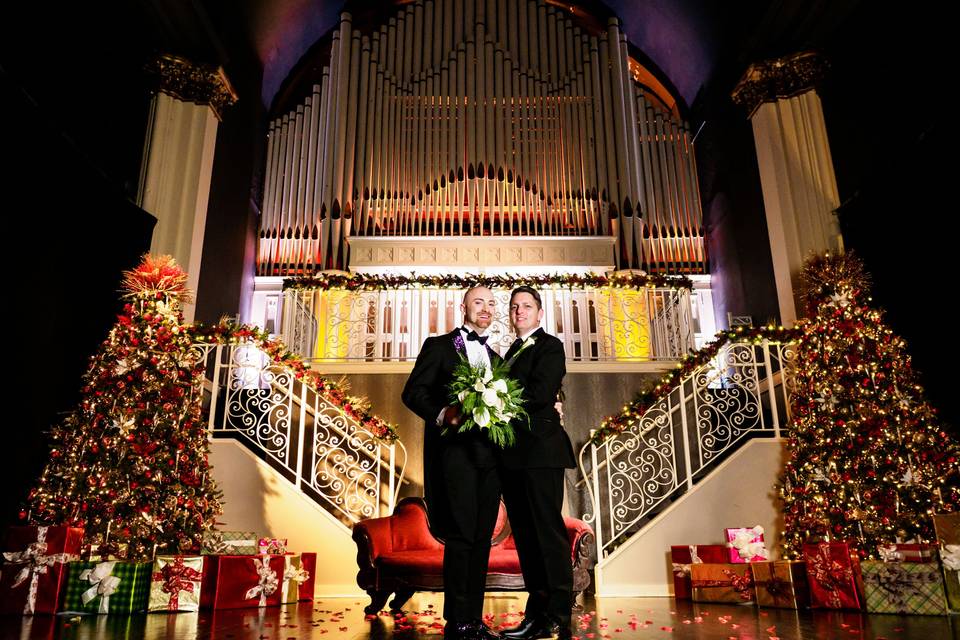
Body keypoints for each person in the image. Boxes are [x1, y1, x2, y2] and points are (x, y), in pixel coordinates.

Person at [401, 285, 502, 640]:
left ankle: (473, 619)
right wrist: (446, 414)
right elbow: (413, 392)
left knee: (480, 539)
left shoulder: (497, 358)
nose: (485, 308)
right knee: (461, 538)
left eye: (491, 303)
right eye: (478, 302)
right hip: (455, 458)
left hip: (490, 463)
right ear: (463, 307)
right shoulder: (440, 346)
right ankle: (457, 621)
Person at [498, 286, 576, 640]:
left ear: (539, 313)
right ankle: (537, 613)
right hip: (514, 456)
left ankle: (559, 613)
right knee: (526, 539)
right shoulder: (510, 351)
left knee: (547, 535)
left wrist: (497, 400)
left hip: (541, 453)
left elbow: (542, 393)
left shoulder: (550, 346)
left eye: (526, 306)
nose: (519, 312)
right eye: (515, 307)